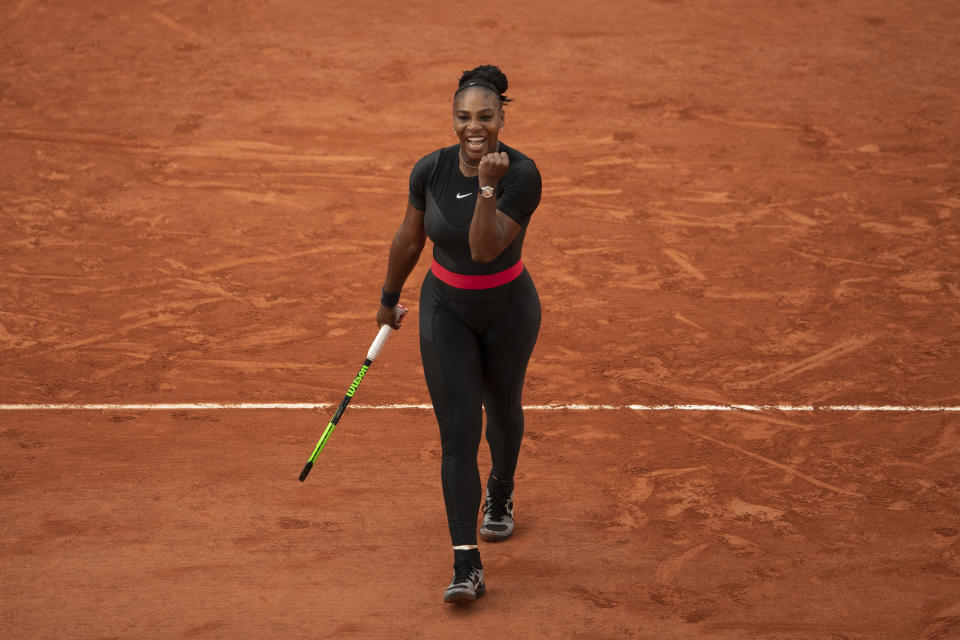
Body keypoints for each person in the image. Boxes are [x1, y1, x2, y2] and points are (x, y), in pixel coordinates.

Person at [376, 64, 542, 604]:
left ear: (501, 117)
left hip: (508, 310)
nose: (475, 128)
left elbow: (485, 248)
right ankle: (465, 563)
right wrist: (387, 297)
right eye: (464, 117)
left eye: (486, 117)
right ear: (453, 119)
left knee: (504, 411)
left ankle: (501, 490)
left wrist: (488, 186)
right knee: (458, 434)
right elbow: (410, 235)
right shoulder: (430, 170)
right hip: (444, 310)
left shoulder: (522, 173)